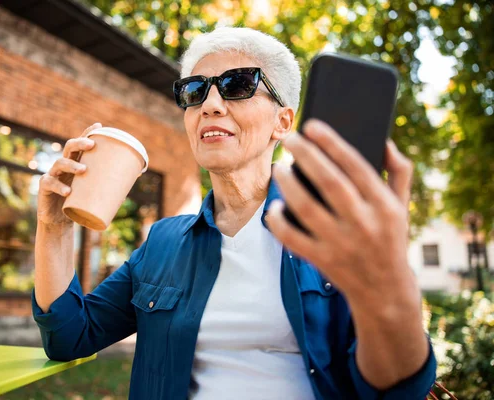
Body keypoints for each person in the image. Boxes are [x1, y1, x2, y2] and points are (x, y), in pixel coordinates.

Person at [33, 27, 436, 399]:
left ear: (283, 122)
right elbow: (70, 336)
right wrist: (53, 227)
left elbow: (397, 389)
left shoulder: (333, 234)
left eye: (237, 85)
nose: (209, 105)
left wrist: (392, 288)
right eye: (194, 91)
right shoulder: (163, 242)